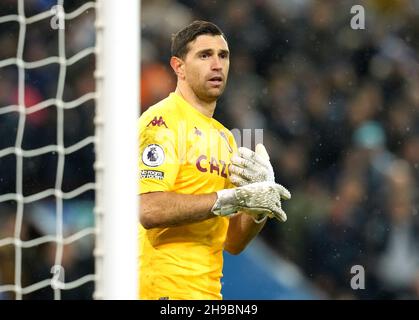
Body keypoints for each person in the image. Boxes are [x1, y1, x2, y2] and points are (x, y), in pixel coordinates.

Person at [138, 20, 291, 300]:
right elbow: (148, 209)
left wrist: (257, 206)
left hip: (208, 293)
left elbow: (232, 241)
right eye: (205, 55)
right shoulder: (162, 122)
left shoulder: (225, 138)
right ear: (178, 66)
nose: (217, 64)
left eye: (223, 55)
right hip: (162, 291)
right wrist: (230, 198)